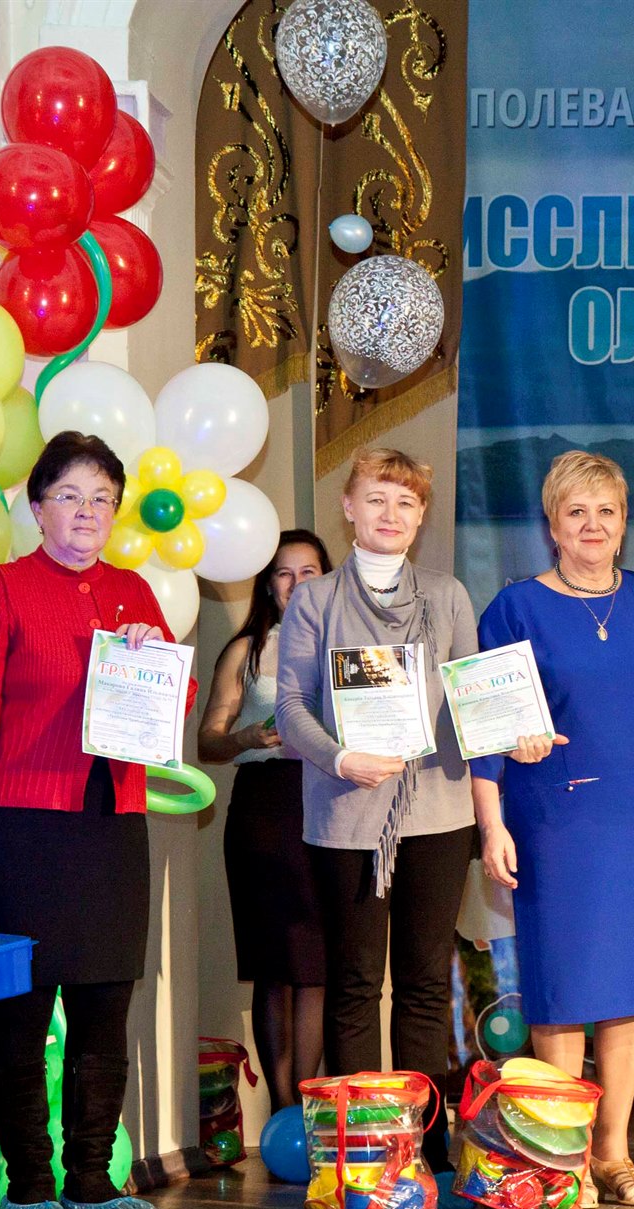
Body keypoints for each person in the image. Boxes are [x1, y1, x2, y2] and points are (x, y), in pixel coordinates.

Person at [0, 431, 191, 1209]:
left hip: (111, 825)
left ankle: (93, 1181)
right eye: (69, 495)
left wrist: (159, 659)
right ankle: (29, 1187)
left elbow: (172, 705)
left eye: (102, 498)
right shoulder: (1, 590)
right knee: (21, 1012)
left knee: (105, 1008)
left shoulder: (134, 591)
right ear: (37, 508)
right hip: (17, 828)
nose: (87, 512)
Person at [472, 450, 634, 1208]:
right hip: (554, 820)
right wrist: (491, 823)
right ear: (552, 525)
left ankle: (614, 1156)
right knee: (562, 989)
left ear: (624, 524)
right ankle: (561, 1160)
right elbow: (486, 729)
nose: (592, 525)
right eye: (576, 512)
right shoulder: (515, 608)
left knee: (628, 987)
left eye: (607, 512)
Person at [274, 449, 476, 1170]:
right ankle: (364, 1151)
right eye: (377, 499)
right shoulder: (315, 601)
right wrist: (339, 759)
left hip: (439, 815)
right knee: (355, 985)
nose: (391, 514)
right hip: (347, 815)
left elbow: (472, 699)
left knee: (425, 984)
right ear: (349, 508)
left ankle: (425, 1150)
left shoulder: (447, 595)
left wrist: (517, 730)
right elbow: (290, 706)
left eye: (406, 502)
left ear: (421, 517)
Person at [197, 530, 332, 1112]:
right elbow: (208, 740)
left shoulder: (350, 645)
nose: (296, 584)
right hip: (266, 811)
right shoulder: (246, 650)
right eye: (283, 572)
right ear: (267, 583)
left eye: (309, 572)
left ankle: (310, 1113)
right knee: (276, 966)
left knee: (318, 965)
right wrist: (246, 737)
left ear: (328, 578)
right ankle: (282, 1113)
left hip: (333, 806)